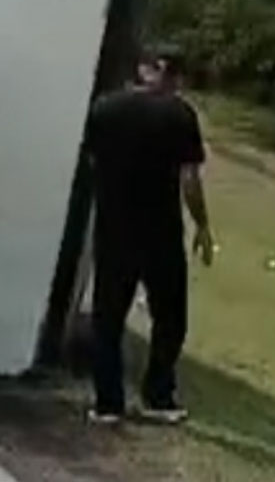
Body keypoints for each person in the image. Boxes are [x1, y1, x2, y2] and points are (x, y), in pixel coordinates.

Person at [82, 46, 214, 425]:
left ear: (143, 70)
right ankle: (157, 395)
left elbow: (93, 162)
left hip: (114, 227)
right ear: (174, 77)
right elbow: (189, 178)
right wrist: (202, 225)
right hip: (160, 231)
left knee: (108, 316)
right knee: (170, 317)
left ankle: (108, 403)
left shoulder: (105, 108)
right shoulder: (180, 114)